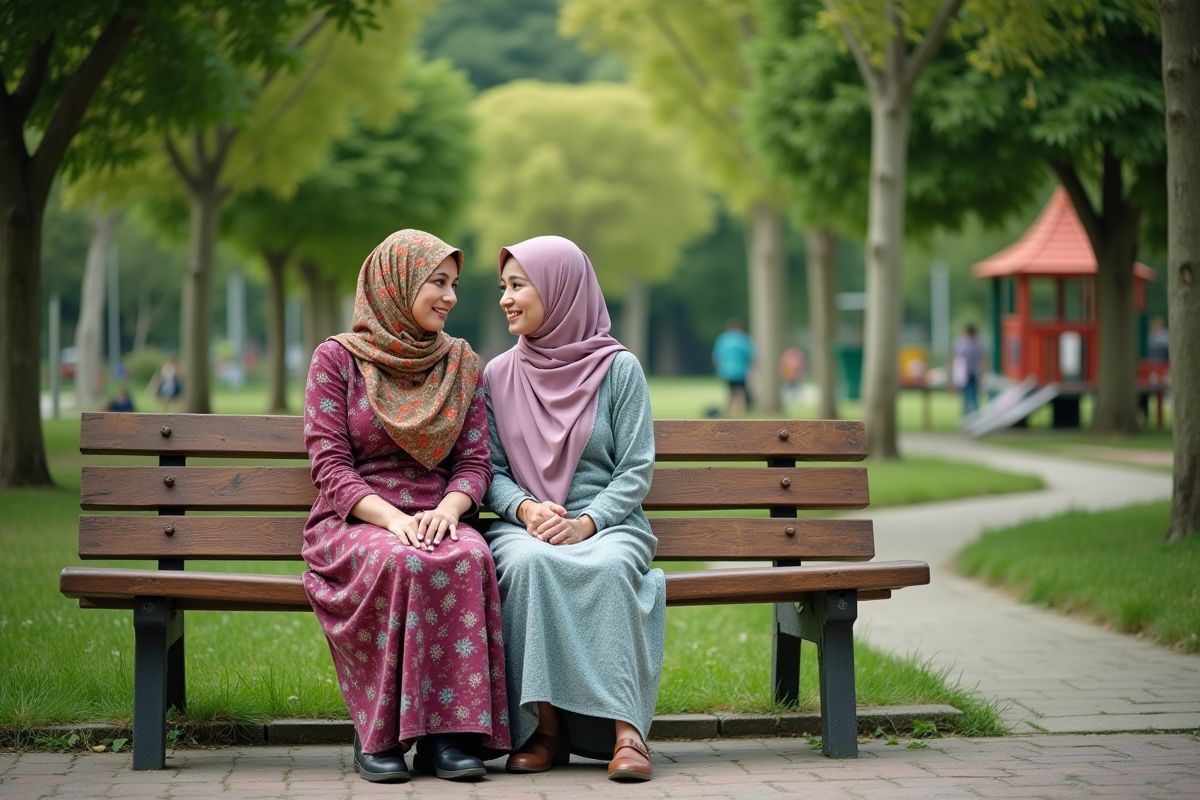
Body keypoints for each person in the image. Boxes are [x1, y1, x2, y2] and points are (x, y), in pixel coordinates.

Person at [301, 230, 510, 784]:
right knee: (400, 558)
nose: (450, 297)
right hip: (357, 519)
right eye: (437, 282)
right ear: (396, 284)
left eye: (454, 284)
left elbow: (475, 462)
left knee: (469, 555)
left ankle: (449, 736)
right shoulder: (337, 359)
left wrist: (449, 511)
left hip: (439, 511)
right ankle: (381, 733)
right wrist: (393, 520)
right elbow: (330, 466)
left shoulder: (461, 362)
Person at [484, 236, 665, 782]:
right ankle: (547, 729)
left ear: (560, 290)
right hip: (528, 524)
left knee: (608, 568)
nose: (505, 299)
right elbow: (489, 470)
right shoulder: (496, 375)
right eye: (503, 287)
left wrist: (588, 522)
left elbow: (635, 469)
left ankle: (627, 732)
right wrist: (524, 510)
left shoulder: (619, 369)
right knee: (528, 565)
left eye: (518, 286)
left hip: (607, 520)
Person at [712, 318, 754, 417]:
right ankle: (738, 411)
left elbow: (717, 356)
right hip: (741, 371)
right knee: (740, 391)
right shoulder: (744, 339)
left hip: (727, 371)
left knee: (731, 392)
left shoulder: (723, 339)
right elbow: (750, 355)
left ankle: (729, 410)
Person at [952, 324, 986, 415]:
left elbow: (982, 359)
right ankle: (966, 415)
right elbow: (955, 359)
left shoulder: (978, 345)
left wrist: (981, 374)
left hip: (974, 373)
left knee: (974, 395)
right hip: (963, 374)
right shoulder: (960, 344)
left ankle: (976, 414)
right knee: (965, 396)